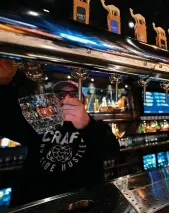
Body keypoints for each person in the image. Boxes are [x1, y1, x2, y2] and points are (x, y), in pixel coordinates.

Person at [0, 58, 120, 205]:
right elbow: (5, 122)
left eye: (74, 94)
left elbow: (111, 152)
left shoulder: (96, 126)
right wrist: (5, 83)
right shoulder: (41, 122)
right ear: (54, 100)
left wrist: (86, 124)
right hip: (40, 205)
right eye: (60, 94)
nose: (67, 98)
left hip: (84, 204)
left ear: (84, 101)